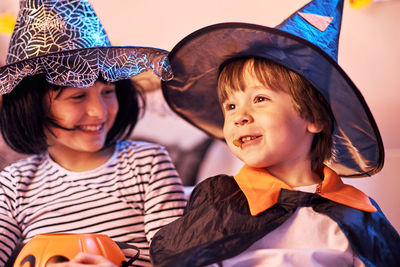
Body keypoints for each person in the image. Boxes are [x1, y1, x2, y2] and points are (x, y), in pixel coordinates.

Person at [150, 0, 400, 266]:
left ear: (313, 117)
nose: (239, 116)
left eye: (259, 99)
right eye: (231, 106)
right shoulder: (218, 198)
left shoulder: (357, 213)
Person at [0, 0, 186, 266]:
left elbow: (178, 259)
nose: (99, 113)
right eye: (77, 97)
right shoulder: (14, 184)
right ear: (31, 106)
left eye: (108, 92)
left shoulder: (147, 164)